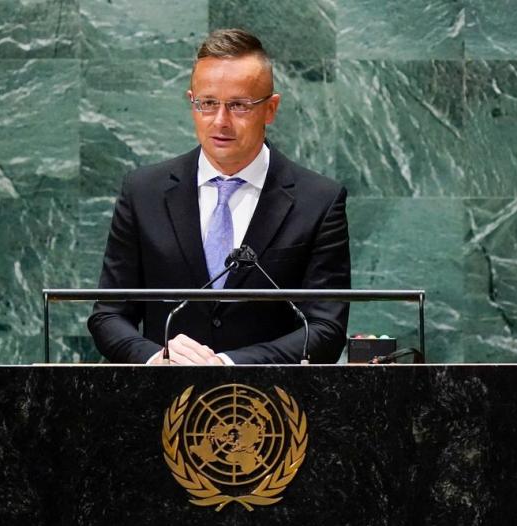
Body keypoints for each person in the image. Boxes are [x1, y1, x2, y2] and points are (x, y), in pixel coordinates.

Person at [88, 28, 350, 365]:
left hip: (270, 395)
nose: (220, 121)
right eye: (208, 104)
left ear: (271, 109)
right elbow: (108, 315)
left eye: (239, 105)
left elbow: (326, 328)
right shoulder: (143, 192)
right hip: (163, 392)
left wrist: (227, 365)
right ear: (192, 102)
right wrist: (156, 358)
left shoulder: (319, 201)